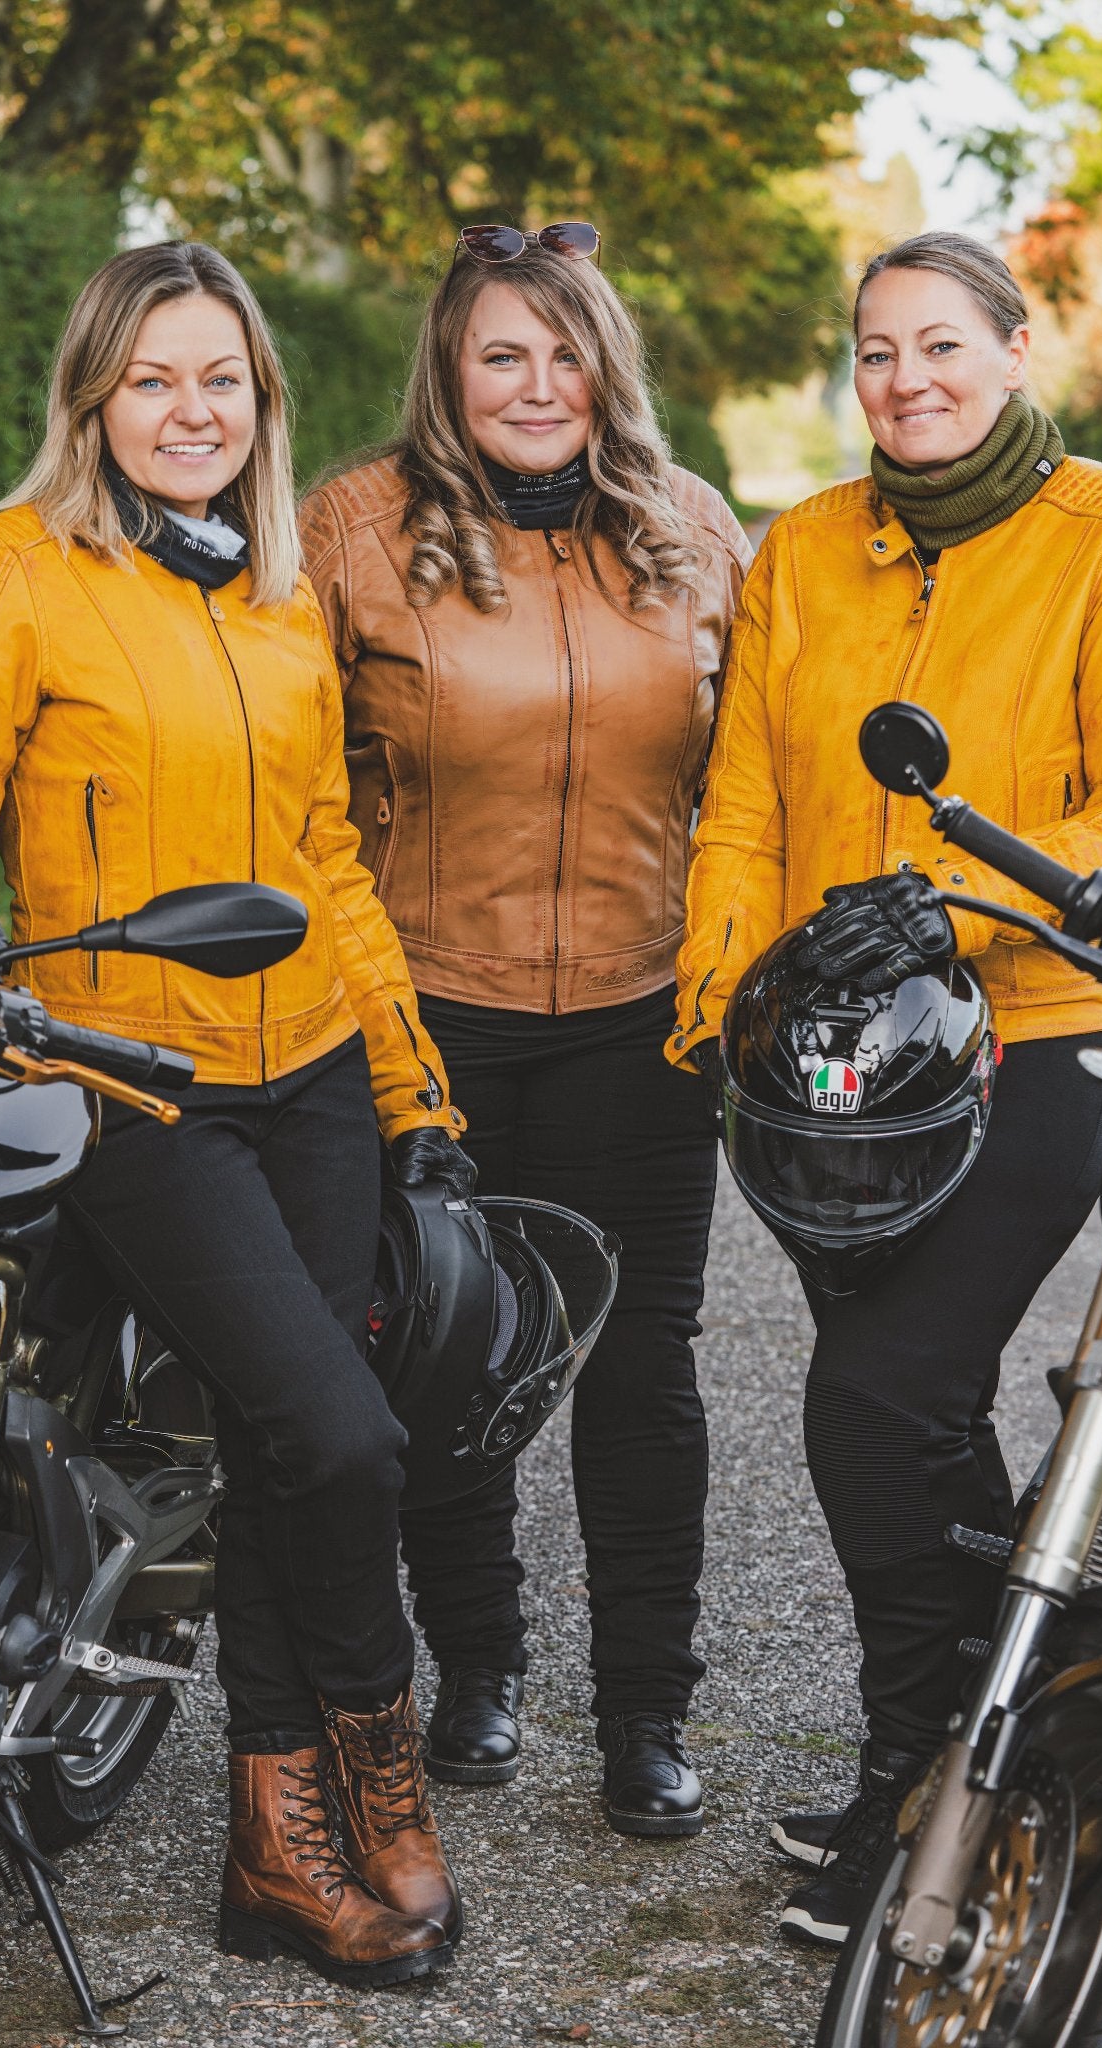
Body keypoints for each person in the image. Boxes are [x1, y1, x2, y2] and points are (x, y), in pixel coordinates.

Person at [0, 242, 474, 1988]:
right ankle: (367, 1778)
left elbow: (320, 863)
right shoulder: (13, 569)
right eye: (154, 379)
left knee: (297, 1445)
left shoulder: (278, 592)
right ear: (93, 397)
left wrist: (408, 1079)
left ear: (263, 407)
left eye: (222, 380)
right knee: (342, 1434)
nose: (190, 411)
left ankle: (282, 1846)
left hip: (307, 1072)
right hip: (123, 1081)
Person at [672, 230, 1102, 1943]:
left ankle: (926, 1779)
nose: (904, 381)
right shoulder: (801, 550)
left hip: (1034, 1027)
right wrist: (721, 1007)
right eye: (873, 352)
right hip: (836, 1065)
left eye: (939, 347)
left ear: (1014, 344)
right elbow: (746, 802)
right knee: (900, 1423)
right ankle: (980, 1766)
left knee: (873, 1409)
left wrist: (990, 891)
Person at [299, 223, 752, 1836]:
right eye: (503, 353)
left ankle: (647, 1711)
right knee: (448, 1357)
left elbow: (748, 780)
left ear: (604, 368)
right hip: (432, 1012)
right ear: (451, 367)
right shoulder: (354, 528)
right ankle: (478, 1663)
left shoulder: (690, 528)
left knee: (643, 1371)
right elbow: (292, 788)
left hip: (641, 1019)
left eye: (566, 353)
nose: (537, 385)